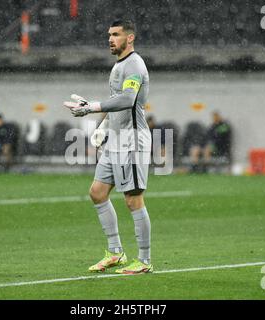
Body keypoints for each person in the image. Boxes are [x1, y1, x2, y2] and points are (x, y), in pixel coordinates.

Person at [63, 19, 153, 274]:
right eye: (109, 35)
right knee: (97, 192)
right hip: (115, 141)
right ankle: (116, 253)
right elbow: (115, 101)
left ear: (130, 38)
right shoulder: (118, 66)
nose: (110, 39)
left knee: (133, 199)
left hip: (132, 140)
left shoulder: (134, 64)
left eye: (116, 34)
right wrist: (101, 126)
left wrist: (91, 107)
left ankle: (144, 261)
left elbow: (127, 99)